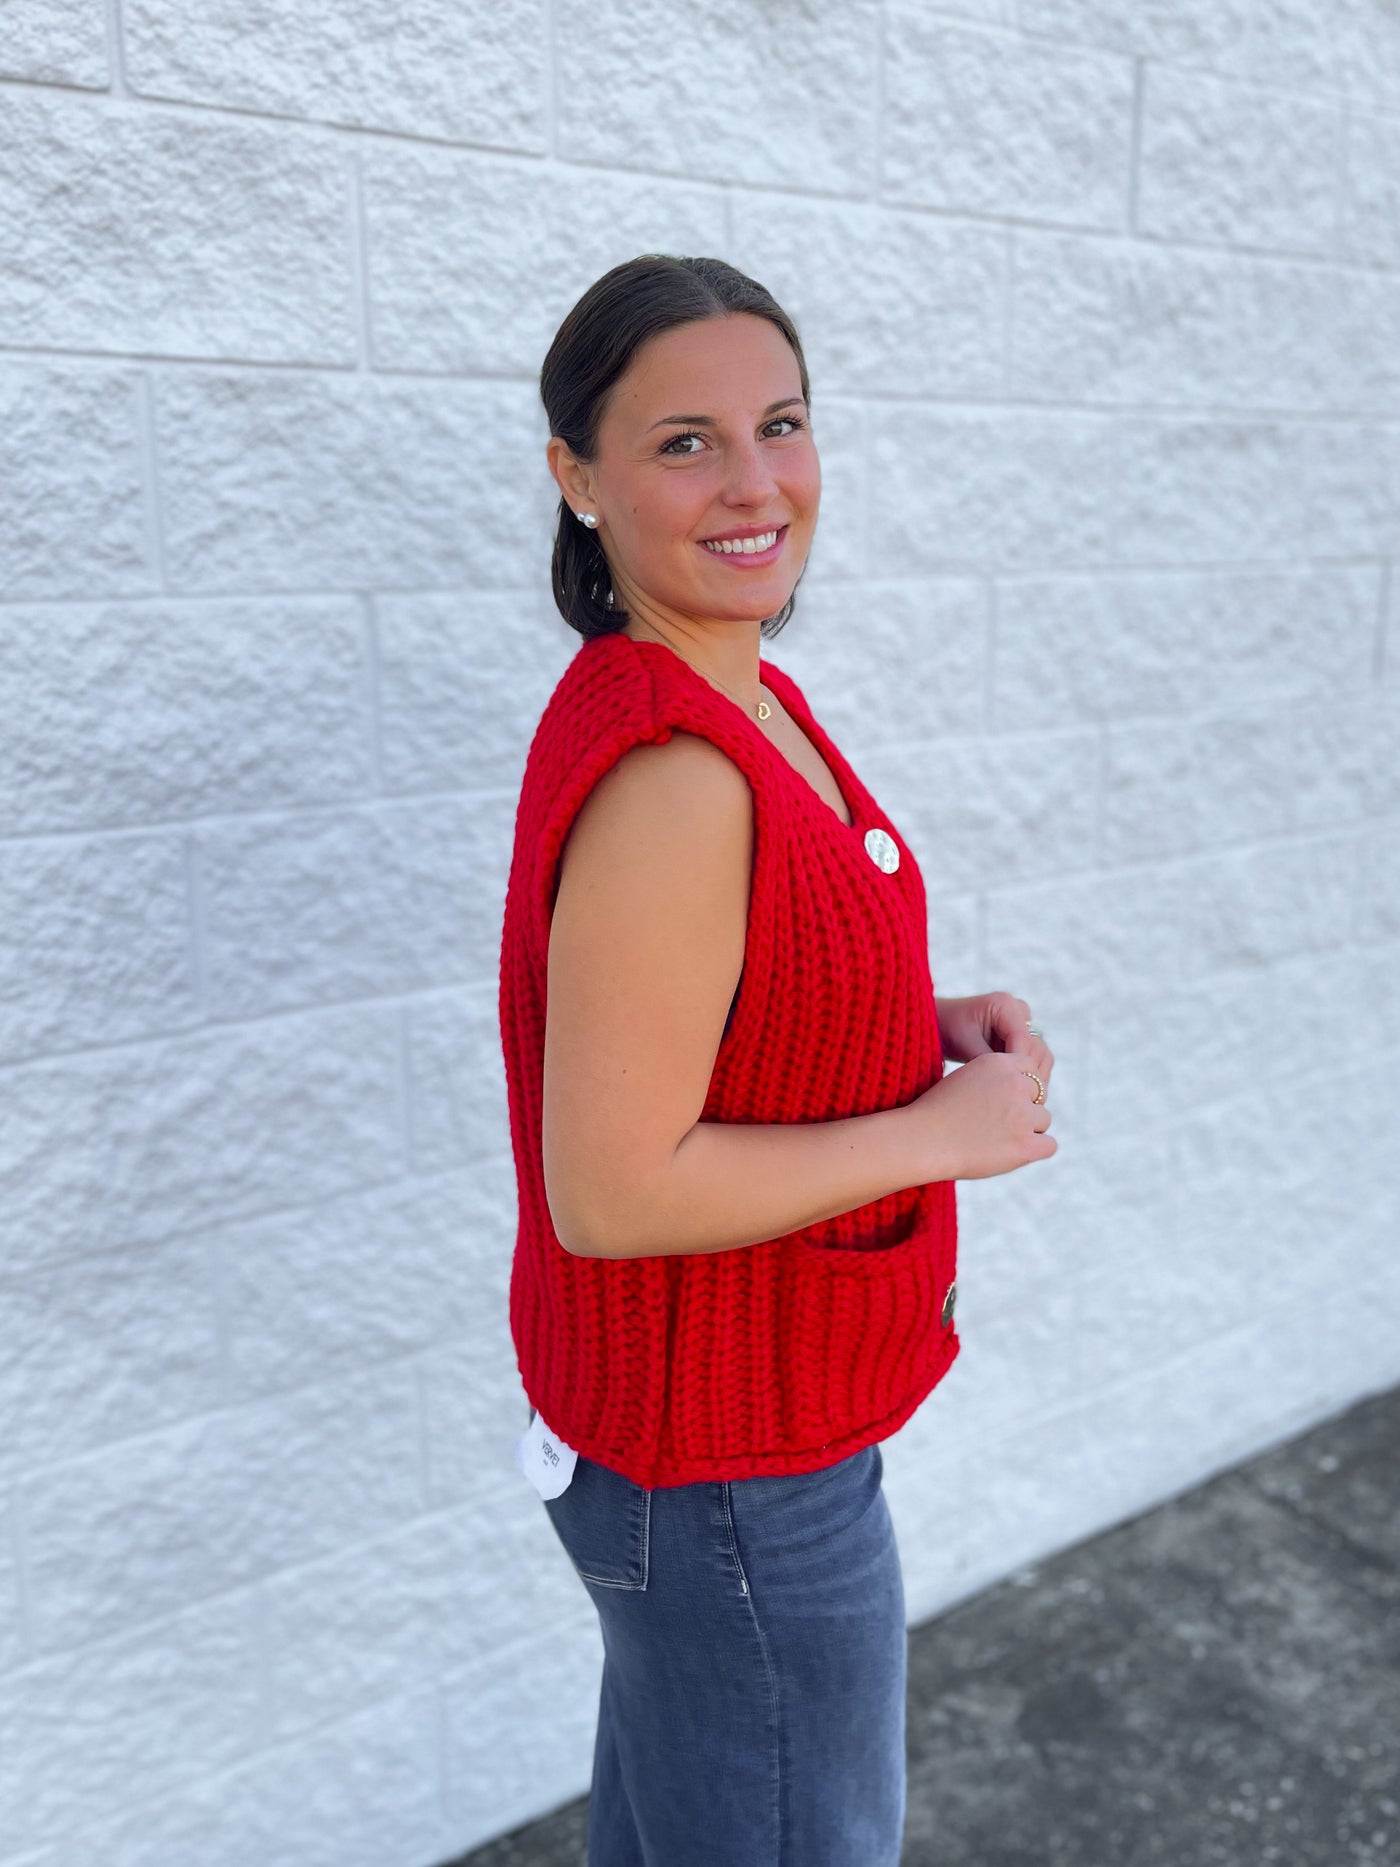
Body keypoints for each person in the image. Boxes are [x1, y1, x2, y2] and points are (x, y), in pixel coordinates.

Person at [497, 254, 1056, 1866]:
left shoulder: (736, 689)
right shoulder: (677, 765)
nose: (755, 484)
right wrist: (931, 1134)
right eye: (684, 442)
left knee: (679, 1830)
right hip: (728, 1472)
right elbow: (611, 1187)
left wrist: (913, 1026)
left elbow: (734, 990)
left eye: (783, 424)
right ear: (577, 478)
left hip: (719, 1442)